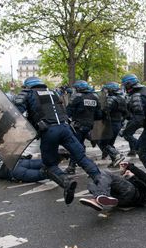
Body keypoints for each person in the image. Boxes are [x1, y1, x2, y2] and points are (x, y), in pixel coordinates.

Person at [14, 76, 101, 204]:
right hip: (66, 128)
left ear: (28, 86)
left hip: (49, 131)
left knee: (50, 165)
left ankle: (66, 183)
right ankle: (101, 181)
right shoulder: (53, 92)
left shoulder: (28, 93)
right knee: (81, 157)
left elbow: (16, 113)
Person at [120, 73, 146, 188]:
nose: (124, 88)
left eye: (124, 85)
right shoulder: (144, 90)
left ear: (129, 85)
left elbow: (138, 118)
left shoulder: (137, 95)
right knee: (139, 149)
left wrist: (126, 131)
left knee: (143, 152)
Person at [78, 161, 146, 211]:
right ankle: (98, 200)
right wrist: (125, 175)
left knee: (104, 174)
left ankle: (99, 196)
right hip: (121, 202)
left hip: (132, 192)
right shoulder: (125, 180)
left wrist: (132, 174)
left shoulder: (138, 183)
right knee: (92, 183)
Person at [65, 80, 103, 175]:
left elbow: (68, 112)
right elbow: (99, 114)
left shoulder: (76, 97)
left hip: (78, 126)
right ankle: (113, 154)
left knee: (75, 146)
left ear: (78, 88)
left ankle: (71, 167)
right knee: (83, 144)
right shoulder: (95, 97)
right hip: (90, 126)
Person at [98, 82, 126, 168]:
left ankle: (117, 155)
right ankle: (115, 160)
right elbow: (126, 113)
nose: (105, 91)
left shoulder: (110, 99)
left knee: (102, 143)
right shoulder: (121, 98)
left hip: (110, 123)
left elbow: (104, 111)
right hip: (118, 123)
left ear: (111, 90)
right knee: (110, 143)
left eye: (107, 89)